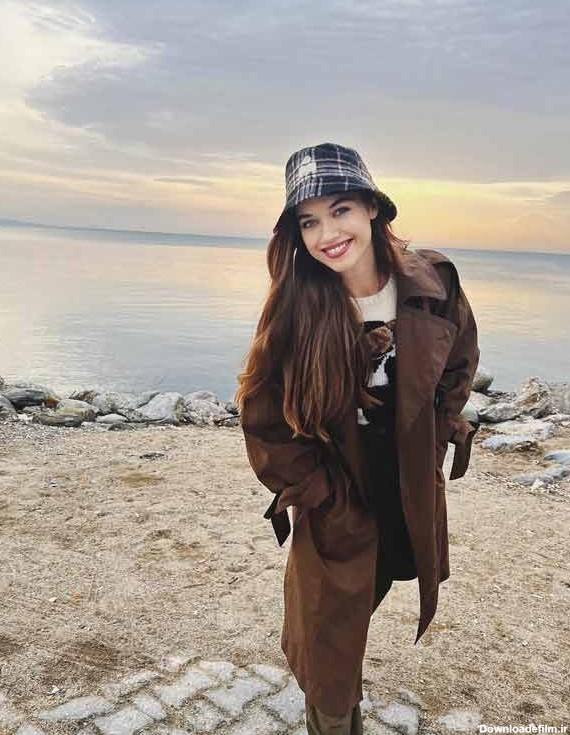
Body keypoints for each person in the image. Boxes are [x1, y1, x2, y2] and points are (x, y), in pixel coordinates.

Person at [234, 142, 480, 735]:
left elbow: (460, 361)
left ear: (372, 207)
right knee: (328, 639)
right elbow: (261, 414)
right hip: (338, 488)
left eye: (340, 210)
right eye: (309, 221)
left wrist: (436, 437)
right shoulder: (295, 306)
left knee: (379, 583)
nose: (327, 234)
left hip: (407, 483)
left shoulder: (434, 281)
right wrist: (319, 492)